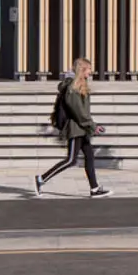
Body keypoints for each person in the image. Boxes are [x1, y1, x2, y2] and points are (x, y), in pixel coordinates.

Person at [33, 57, 110, 198]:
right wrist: (92, 126)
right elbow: (79, 112)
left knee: (89, 156)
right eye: (89, 69)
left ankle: (94, 189)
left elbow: (83, 112)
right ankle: (41, 179)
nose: (91, 72)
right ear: (82, 70)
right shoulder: (73, 88)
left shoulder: (80, 85)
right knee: (71, 160)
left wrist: (91, 126)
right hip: (75, 129)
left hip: (82, 128)